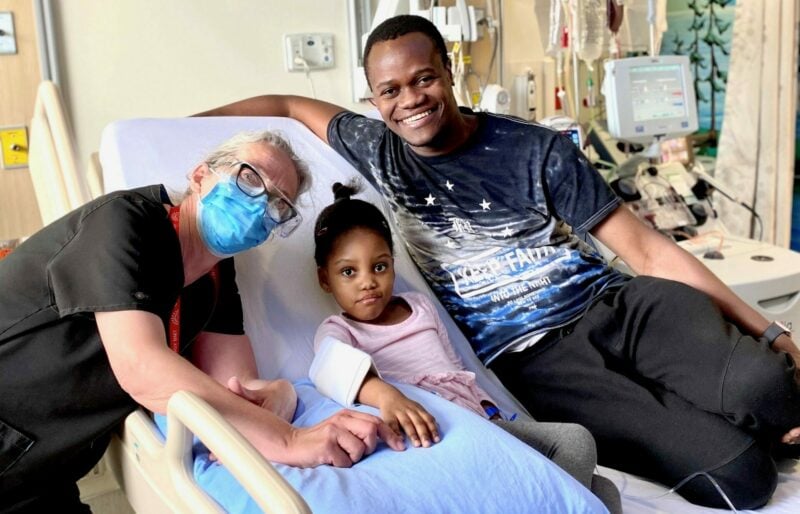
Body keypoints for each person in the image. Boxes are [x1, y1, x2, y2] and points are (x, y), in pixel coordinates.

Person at [197, 15, 800, 509]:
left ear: (449, 73)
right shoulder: (379, 148)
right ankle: (744, 430)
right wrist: (168, 128)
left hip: (618, 304)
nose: (410, 100)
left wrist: (769, 330)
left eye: (423, 79)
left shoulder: (535, 149)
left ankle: (761, 409)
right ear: (374, 99)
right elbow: (285, 101)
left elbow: (647, 250)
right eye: (390, 91)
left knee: (770, 384)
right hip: (536, 359)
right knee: (744, 480)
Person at [0, 130, 404, 514]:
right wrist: (290, 439)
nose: (261, 204)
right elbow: (141, 366)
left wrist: (281, 393)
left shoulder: (215, 276)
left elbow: (237, 385)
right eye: (250, 178)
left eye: (279, 205)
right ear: (200, 174)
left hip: (44, 469)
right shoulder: (122, 222)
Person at [311, 181, 622, 513]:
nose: (368, 281)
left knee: (603, 491)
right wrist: (385, 394)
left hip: (481, 424)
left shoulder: (419, 306)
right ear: (325, 279)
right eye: (348, 272)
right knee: (574, 442)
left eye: (380, 266)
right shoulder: (340, 330)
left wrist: (489, 408)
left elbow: (458, 368)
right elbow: (330, 368)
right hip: (438, 434)